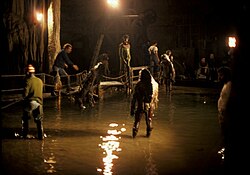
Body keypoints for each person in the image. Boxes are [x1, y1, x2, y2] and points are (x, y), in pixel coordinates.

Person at [21, 64, 44, 140]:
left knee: (25, 118)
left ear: (28, 73)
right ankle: (41, 136)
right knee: (39, 121)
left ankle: (25, 134)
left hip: (31, 103)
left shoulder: (28, 81)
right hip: (39, 104)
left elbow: (25, 94)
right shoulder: (40, 81)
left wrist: (23, 97)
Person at [130, 68, 153, 138]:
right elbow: (151, 96)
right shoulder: (149, 85)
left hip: (140, 105)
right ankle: (148, 134)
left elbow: (134, 98)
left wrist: (132, 108)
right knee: (148, 119)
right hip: (147, 104)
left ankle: (134, 134)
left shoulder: (138, 85)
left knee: (137, 121)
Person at [217, 66, 232, 160]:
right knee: (224, 133)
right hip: (223, 114)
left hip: (226, 114)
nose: (219, 77)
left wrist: (224, 113)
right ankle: (225, 148)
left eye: (221, 75)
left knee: (226, 133)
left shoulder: (230, 85)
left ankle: (227, 150)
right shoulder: (226, 84)